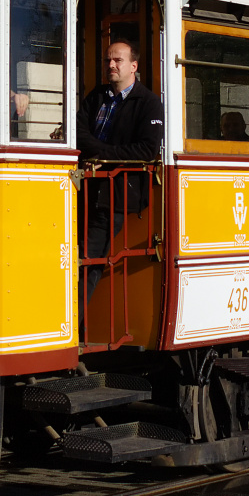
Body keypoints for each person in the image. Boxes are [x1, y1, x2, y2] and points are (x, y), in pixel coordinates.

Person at [76, 40, 164, 306]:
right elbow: (78, 133)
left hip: (115, 196)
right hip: (84, 189)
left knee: (89, 258)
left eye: (117, 61)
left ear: (133, 66)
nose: (110, 65)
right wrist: (102, 152)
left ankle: (74, 326)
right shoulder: (97, 96)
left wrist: (102, 156)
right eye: (107, 61)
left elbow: (146, 149)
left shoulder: (148, 103)